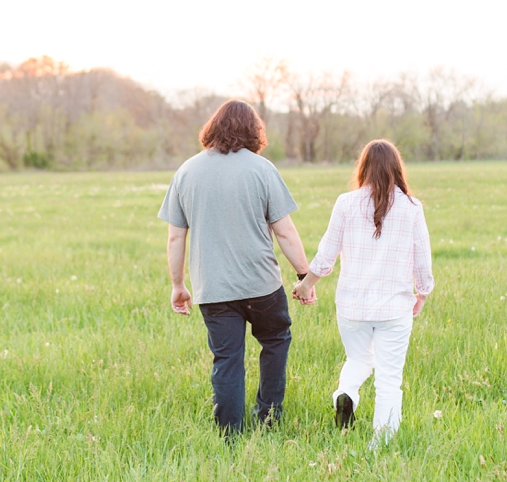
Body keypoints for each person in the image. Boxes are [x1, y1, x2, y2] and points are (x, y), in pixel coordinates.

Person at [158, 100, 313, 436]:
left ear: (212, 128)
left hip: (213, 288)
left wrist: (178, 285)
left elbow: (174, 239)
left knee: (226, 359)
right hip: (262, 286)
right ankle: (269, 419)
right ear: (253, 131)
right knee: (274, 341)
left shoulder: (186, 172)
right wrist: (304, 275)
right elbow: (284, 230)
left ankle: (229, 434)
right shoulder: (262, 169)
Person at [292, 139, 434, 447]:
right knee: (388, 379)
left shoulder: (346, 203)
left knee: (358, 357)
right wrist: (422, 293)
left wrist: (306, 285)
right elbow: (422, 259)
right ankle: (380, 445)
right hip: (395, 308)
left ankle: (346, 393)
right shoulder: (412, 208)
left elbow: (327, 254)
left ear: (364, 168)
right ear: (397, 169)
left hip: (352, 307)